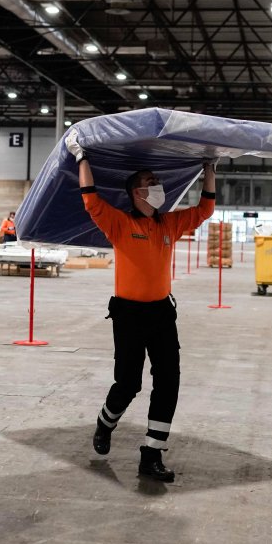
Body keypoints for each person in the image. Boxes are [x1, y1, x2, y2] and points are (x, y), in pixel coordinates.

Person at [66, 128, 216, 483]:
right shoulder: (119, 223)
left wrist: (210, 167)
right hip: (129, 315)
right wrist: (81, 156)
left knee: (169, 380)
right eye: (151, 181)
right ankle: (105, 424)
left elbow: (206, 207)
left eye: (158, 180)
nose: (159, 185)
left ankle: (151, 455)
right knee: (128, 383)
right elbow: (90, 199)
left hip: (163, 313)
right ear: (137, 192)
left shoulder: (171, 224)